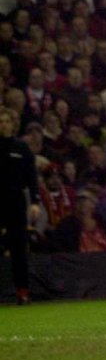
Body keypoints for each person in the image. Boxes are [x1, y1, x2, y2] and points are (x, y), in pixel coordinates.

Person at [0, 108, 41, 305]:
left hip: (15, 202)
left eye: (7, 121)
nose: (4, 125)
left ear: (12, 124)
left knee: (19, 249)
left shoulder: (21, 148)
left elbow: (31, 177)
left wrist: (34, 201)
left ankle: (22, 291)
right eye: (1, 121)